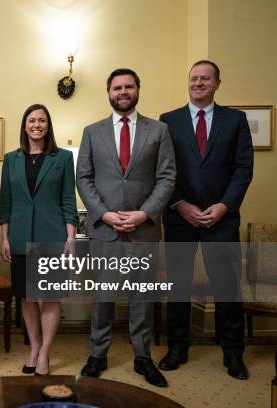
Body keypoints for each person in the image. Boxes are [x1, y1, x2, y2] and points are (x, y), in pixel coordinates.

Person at [76, 68, 176, 387]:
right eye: (117, 87)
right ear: (108, 92)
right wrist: (104, 214)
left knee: (142, 297)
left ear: (137, 90)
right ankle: (98, 354)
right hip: (105, 229)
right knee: (103, 295)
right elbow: (84, 178)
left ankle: (142, 357)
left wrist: (144, 214)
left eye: (128, 86)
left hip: (142, 229)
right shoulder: (92, 131)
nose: (123, 91)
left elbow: (167, 177)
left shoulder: (158, 131)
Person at [158, 60, 253, 380]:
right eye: (193, 78)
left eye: (205, 79)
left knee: (227, 287)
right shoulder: (167, 122)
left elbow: (243, 169)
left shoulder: (236, 120)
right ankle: (177, 348)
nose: (198, 83)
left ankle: (233, 353)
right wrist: (180, 204)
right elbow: (163, 171)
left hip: (221, 219)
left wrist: (224, 206)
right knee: (178, 286)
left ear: (217, 83)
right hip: (179, 217)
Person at [0, 103, 78, 376]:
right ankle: (34, 348)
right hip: (19, 236)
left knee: (51, 297)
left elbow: (69, 199)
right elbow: (6, 203)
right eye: (31, 120)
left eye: (42, 120)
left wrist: (71, 238)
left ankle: (45, 353)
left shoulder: (64, 158)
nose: (36, 125)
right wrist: (4, 238)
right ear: (24, 125)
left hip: (52, 236)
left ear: (48, 125)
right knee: (28, 298)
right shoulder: (11, 159)